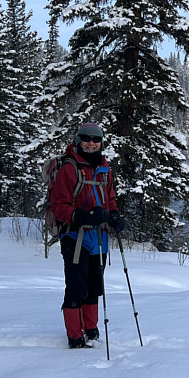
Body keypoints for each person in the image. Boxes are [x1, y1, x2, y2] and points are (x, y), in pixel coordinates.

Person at [50, 122, 127, 348]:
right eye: (86, 138)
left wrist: (114, 216)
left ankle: (91, 331)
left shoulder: (104, 169)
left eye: (96, 140)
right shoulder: (70, 168)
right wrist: (82, 216)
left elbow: (110, 198)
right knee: (77, 287)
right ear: (78, 140)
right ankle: (75, 337)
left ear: (102, 143)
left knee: (94, 287)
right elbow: (58, 205)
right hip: (75, 237)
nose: (91, 143)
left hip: (99, 238)